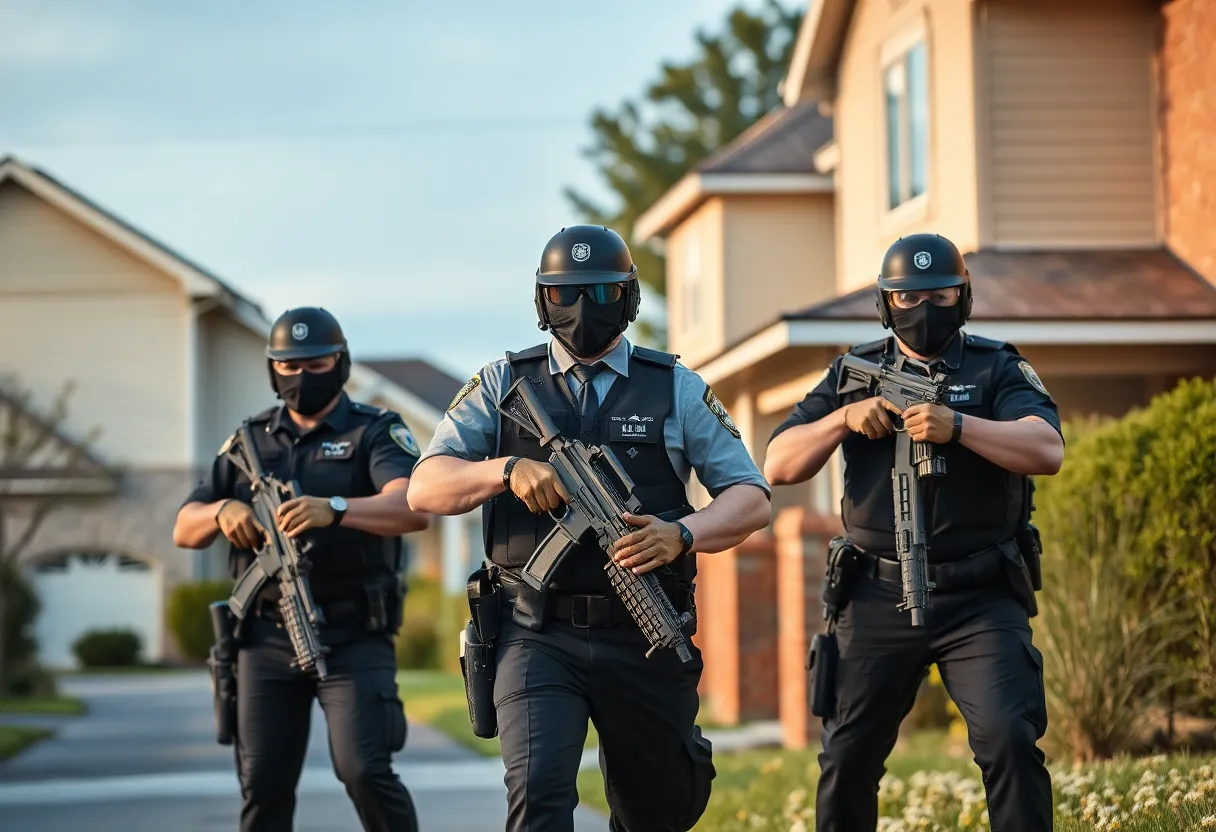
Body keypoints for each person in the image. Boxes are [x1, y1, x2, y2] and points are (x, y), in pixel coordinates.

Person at [406, 225, 772, 832]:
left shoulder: (674, 386)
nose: (581, 310)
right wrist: (507, 469)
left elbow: (751, 498)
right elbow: (426, 486)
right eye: (564, 295)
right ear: (541, 300)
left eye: (601, 293)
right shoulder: (501, 383)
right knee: (539, 793)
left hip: (646, 633)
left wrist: (682, 534)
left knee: (657, 809)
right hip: (535, 631)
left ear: (628, 298)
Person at [764, 234, 1064, 832]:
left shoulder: (996, 366)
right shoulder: (854, 372)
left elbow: (1047, 448)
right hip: (876, 593)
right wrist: (843, 418)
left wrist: (959, 426)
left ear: (964, 296)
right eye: (906, 298)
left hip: (980, 596)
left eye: (940, 293)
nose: (923, 309)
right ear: (884, 302)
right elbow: (778, 463)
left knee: (1008, 738)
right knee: (846, 757)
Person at [172, 307, 430, 832]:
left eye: (315, 365)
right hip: (264, 638)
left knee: (364, 770)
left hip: (353, 633)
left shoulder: (374, 432)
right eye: (289, 367)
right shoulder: (249, 442)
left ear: (340, 364)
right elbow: (183, 526)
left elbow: (412, 508)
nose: (301, 377)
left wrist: (336, 508)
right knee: (263, 784)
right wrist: (222, 512)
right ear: (272, 370)